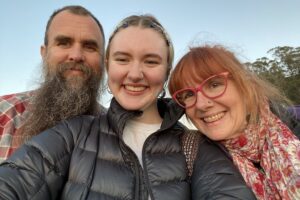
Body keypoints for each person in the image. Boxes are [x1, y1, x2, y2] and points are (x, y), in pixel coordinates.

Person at [0, 15, 255, 200]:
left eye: (151, 61)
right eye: (123, 59)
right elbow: (16, 180)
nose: (135, 74)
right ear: (108, 65)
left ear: (166, 70)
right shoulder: (74, 133)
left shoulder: (196, 147)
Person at [168, 44, 300, 199]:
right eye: (188, 94)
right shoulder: (195, 160)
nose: (201, 104)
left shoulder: (294, 122)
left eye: (214, 84)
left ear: (244, 85)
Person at [0, 5, 105, 162]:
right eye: (64, 43)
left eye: (89, 47)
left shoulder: (119, 132)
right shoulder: (4, 113)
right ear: (44, 53)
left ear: (103, 60)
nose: (76, 55)